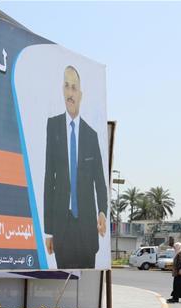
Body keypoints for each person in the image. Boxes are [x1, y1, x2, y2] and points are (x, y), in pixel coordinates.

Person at [43, 65, 108, 269]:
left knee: (85, 284)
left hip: (87, 228)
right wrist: (49, 231)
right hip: (62, 227)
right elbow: (49, 180)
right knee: (63, 282)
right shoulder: (53, 126)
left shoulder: (91, 135)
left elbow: (100, 181)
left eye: (74, 88)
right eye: (66, 86)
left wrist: (102, 212)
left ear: (80, 94)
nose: (70, 93)